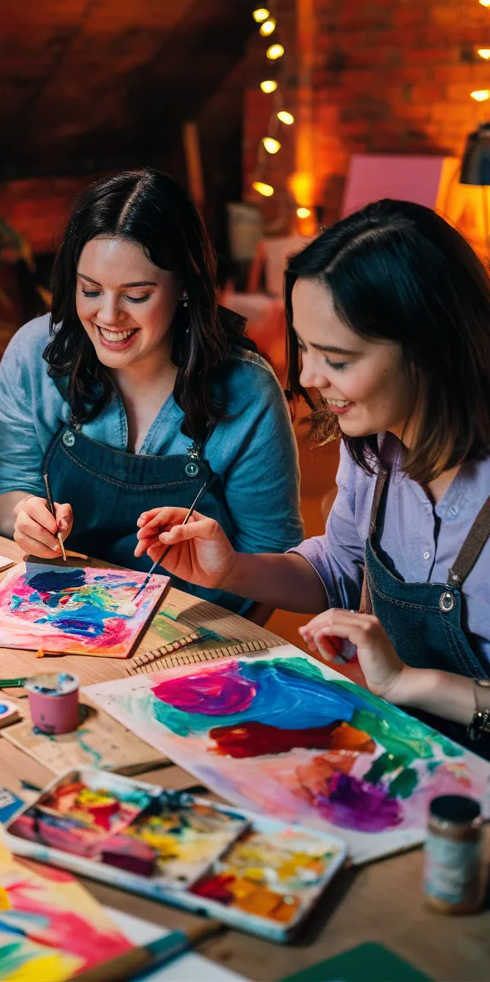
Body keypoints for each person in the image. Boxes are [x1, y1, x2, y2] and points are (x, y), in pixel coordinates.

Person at [135, 198, 490, 751]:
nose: (307, 375)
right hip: (403, 748)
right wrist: (231, 570)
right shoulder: (373, 445)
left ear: (430, 349)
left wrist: (412, 683)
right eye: (303, 345)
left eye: (338, 359)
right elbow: (341, 569)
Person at [0, 168, 303, 612]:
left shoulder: (247, 390)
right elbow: (1, 491)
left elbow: (275, 557)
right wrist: (22, 515)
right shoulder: (36, 353)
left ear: (184, 288)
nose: (109, 316)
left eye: (136, 295)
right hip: (62, 612)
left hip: (196, 634)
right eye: (90, 290)